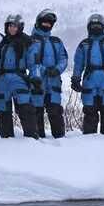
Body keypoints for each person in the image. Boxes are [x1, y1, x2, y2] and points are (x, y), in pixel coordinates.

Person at [0, 14, 39, 139]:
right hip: (1, 80)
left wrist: (36, 78)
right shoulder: (2, 44)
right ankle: (6, 140)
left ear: (20, 27)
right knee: (2, 110)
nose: (12, 29)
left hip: (19, 78)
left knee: (26, 109)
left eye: (15, 26)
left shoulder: (27, 42)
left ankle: (32, 139)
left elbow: (34, 63)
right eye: (10, 26)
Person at [29, 9, 69, 138]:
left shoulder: (56, 41)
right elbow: (27, 60)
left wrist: (57, 69)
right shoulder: (30, 41)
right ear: (38, 23)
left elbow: (63, 58)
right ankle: (37, 142)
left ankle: (61, 141)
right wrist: (40, 71)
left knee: (55, 111)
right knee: (36, 112)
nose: (46, 25)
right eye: (44, 23)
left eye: (49, 24)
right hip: (36, 81)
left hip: (54, 82)